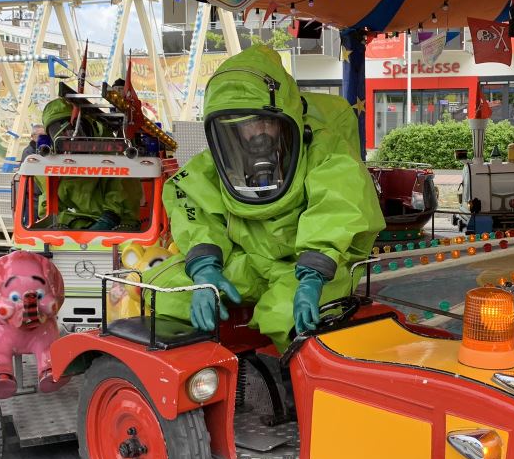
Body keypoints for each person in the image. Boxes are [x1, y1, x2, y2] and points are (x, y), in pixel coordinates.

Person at [151, 45, 384, 351]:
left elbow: (338, 206)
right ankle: (205, 373)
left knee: (288, 316)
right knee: (163, 292)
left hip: (306, 266)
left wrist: (313, 274)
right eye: (245, 125)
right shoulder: (215, 163)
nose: (257, 133)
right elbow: (192, 202)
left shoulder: (325, 151)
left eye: (265, 122)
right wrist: (205, 269)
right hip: (245, 261)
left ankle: (284, 378)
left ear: (288, 117)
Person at [37, 98, 142, 230]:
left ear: (88, 126)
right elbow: (50, 204)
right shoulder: (48, 164)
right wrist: (56, 225)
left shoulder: (114, 155)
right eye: (57, 130)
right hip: (68, 227)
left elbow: (122, 192)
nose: (69, 136)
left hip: (116, 226)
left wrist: (109, 219)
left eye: (72, 128)